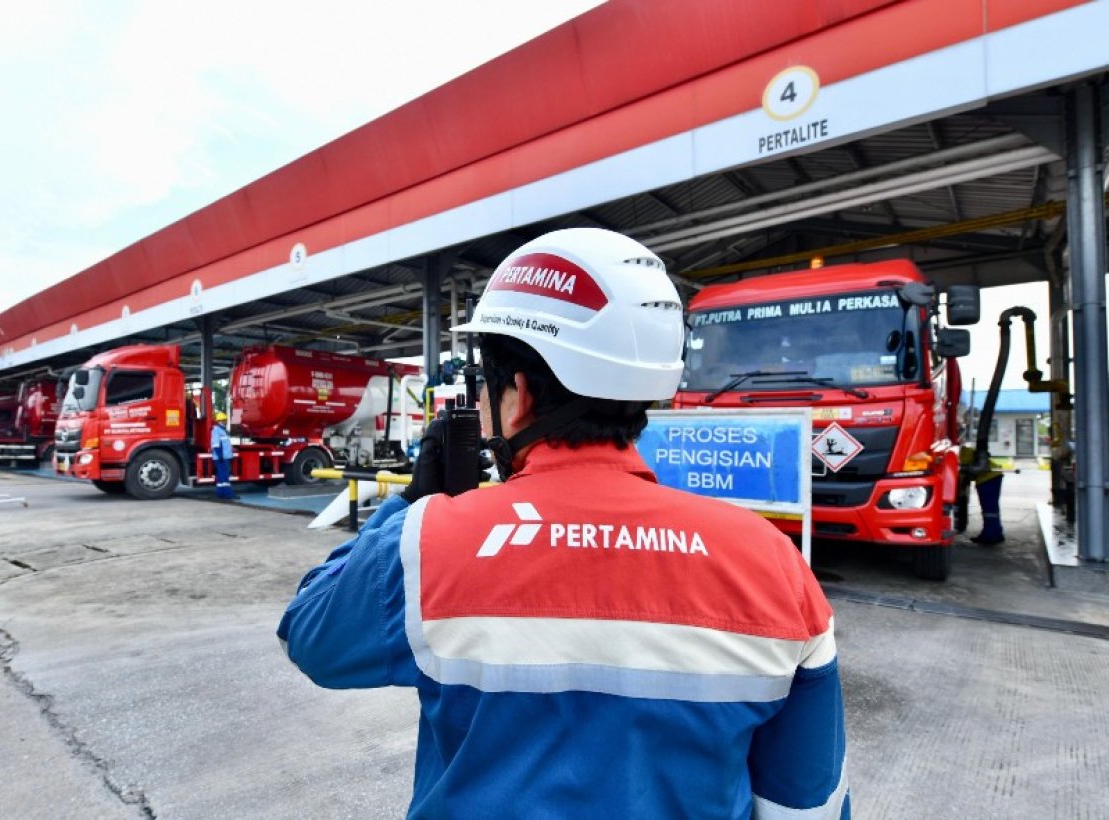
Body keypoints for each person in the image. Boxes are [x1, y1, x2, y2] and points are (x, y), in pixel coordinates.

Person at [277, 229, 849, 818]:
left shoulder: (428, 542)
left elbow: (309, 634)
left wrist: (408, 505)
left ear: (519, 394)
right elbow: (808, 804)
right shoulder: (772, 562)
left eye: (485, 386)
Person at [961, 445, 1005, 545]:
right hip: (993, 477)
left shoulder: (962, 454)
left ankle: (990, 536)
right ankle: (996, 533)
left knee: (989, 510)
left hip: (988, 479)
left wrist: (962, 489)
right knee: (992, 509)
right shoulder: (965, 451)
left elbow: (964, 474)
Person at [211, 410, 237, 500]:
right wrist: (220, 456)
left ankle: (220, 493)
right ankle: (228, 494)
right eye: (224, 420)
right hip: (222, 457)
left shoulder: (222, 430)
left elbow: (224, 443)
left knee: (221, 477)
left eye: (225, 420)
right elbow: (216, 445)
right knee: (225, 476)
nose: (225, 421)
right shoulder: (217, 430)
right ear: (219, 421)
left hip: (223, 457)